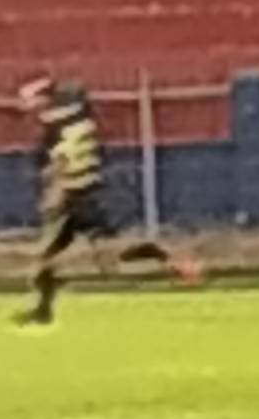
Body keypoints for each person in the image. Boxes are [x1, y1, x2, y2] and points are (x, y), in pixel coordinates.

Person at [18, 78, 199, 326]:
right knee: (48, 258)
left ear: (45, 101)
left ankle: (171, 260)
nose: (26, 106)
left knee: (111, 256)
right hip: (80, 196)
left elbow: (62, 163)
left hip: (79, 198)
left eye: (30, 100)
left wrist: (54, 195)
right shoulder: (74, 121)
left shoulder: (57, 129)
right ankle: (43, 311)